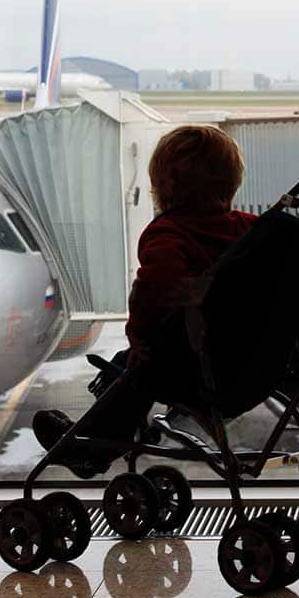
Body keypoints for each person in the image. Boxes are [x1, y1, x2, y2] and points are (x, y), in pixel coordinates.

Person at [33, 125, 257, 475]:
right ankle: (102, 432)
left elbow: (155, 294)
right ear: (233, 182)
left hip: (201, 371)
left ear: (163, 188)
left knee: (137, 369)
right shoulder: (253, 231)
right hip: (250, 365)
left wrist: (139, 337)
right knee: (133, 366)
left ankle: (92, 446)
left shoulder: (169, 234)